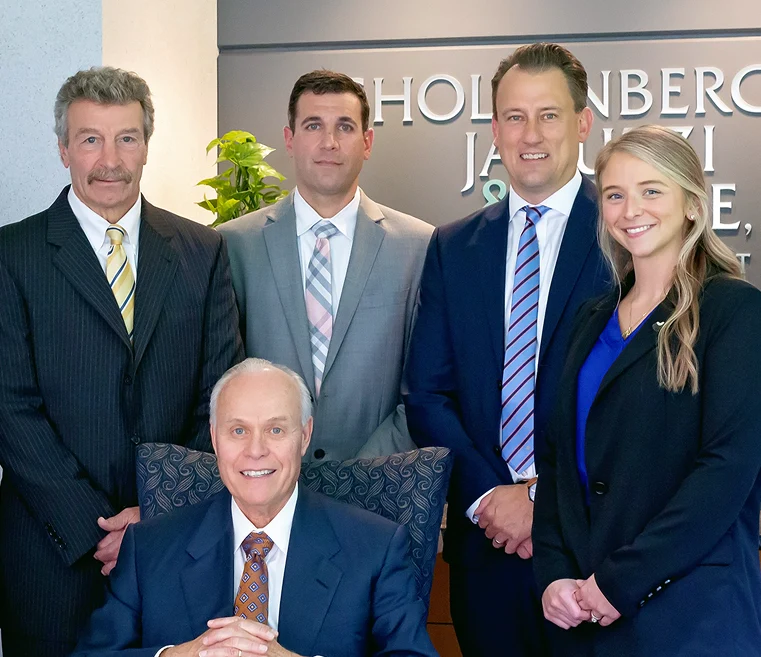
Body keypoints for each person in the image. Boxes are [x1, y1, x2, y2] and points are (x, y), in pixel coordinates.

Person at [0, 67, 243, 657]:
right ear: (63, 149)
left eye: (126, 138)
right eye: (90, 139)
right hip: (49, 555)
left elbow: (222, 395)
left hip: (174, 547)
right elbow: (11, 409)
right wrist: (95, 529)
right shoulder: (12, 255)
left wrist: (156, 514)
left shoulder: (202, 251)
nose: (109, 159)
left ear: (146, 145)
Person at [403, 43, 610, 656]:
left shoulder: (623, 235)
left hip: (592, 549)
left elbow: (636, 407)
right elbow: (428, 396)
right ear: (494, 129)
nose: (531, 134)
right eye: (514, 117)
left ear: (583, 123)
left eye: (549, 115)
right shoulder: (454, 246)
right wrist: (493, 496)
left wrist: (540, 499)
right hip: (485, 545)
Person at [533, 125, 761, 656]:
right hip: (584, 616)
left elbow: (726, 471)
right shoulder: (591, 319)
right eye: (615, 194)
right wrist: (553, 574)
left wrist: (621, 581)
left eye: (651, 190)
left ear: (691, 204)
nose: (630, 209)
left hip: (691, 617)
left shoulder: (735, 313)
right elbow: (558, 465)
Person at [73, 358, 438, 657]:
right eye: (238, 431)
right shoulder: (149, 546)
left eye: (276, 430)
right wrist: (176, 656)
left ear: (305, 435)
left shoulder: (376, 546)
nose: (256, 450)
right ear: (214, 438)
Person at [218, 70, 433, 463]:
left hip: (380, 488)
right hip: (265, 483)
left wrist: (362, 475)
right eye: (313, 125)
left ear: (367, 142)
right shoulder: (234, 244)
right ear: (289, 139)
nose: (329, 142)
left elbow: (423, 388)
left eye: (345, 127)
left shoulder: (418, 245)